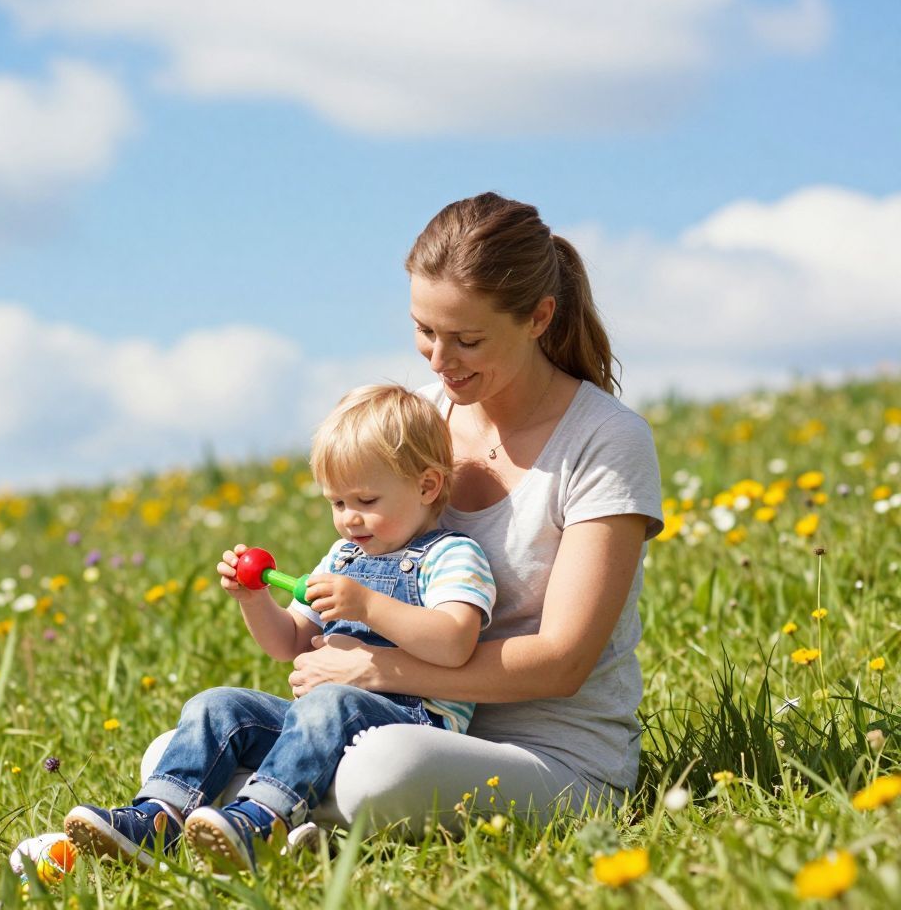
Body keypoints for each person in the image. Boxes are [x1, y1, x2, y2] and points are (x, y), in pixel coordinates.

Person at [139, 192, 664, 837]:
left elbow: (562, 662)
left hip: (549, 754)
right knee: (175, 744)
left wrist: (376, 669)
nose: (441, 363)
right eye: (425, 331)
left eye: (468, 340)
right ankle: (255, 824)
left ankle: (269, 816)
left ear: (538, 318)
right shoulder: (416, 417)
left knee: (383, 770)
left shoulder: (605, 440)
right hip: (380, 718)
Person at [64, 384, 497, 872]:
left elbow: (455, 642)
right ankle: (155, 819)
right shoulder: (344, 558)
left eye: (366, 499)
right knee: (218, 705)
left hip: (414, 723)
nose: (349, 518)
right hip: (321, 722)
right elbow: (288, 642)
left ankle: (263, 822)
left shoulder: (453, 556)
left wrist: (369, 606)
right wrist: (255, 600)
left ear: (427, 486)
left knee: (330, 701)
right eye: (336, 503)